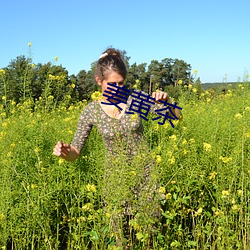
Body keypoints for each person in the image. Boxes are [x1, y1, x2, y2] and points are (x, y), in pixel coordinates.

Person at [53, 48, 181, 247]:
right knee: (121, 238)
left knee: (150, 236)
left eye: (121, 83)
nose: (118, 89)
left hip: (146, 176)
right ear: (99, 81)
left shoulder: (135, 99)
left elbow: (174, 117)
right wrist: (65, 152)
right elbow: (75, 151)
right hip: (115, 181)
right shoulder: (91, 111)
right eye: (112, 84)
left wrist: (168, 102)